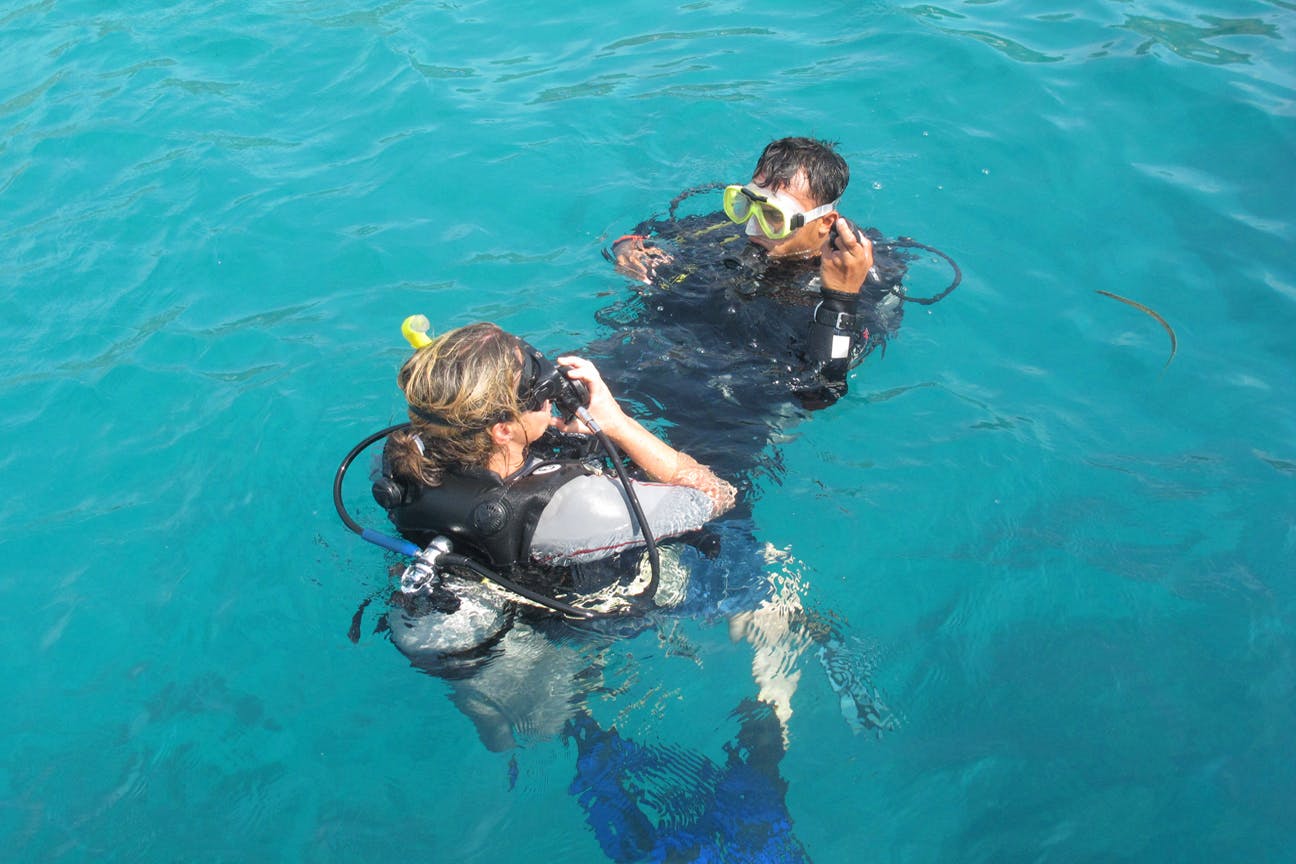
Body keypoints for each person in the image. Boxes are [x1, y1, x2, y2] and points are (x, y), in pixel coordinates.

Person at [604, 136, 905, 417]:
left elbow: (821, 392)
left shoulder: (864, 278)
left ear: (826, 222)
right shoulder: (729, 229)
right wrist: (629, 250)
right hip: (653, 348)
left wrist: (840, 298)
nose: (752, 227)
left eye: (774, 216)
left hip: (731, 407)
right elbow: (643, 235)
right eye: (748, 205)